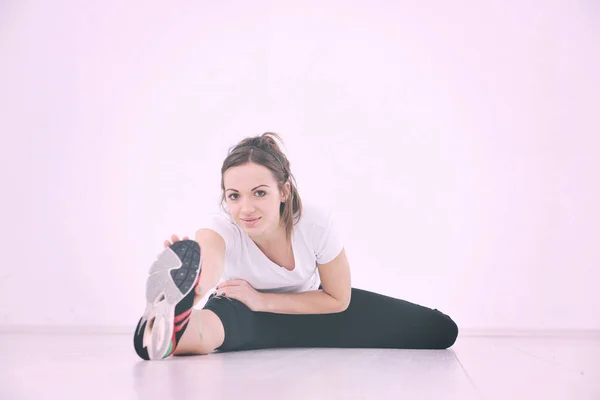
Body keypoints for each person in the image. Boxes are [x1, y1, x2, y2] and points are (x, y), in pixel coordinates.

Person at [134, 132, 458, 360]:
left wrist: (262, 300)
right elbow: (210, 256)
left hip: (313, 308)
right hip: (243, 310)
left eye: (259, 193)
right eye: (234, 196)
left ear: (284, 192)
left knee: (440, 331)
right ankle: (168, 326)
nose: (245, 208)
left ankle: (177, 319)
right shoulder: (221, 226)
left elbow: (338, 298)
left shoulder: (315, 224)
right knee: (204, 334)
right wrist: (194, 284)